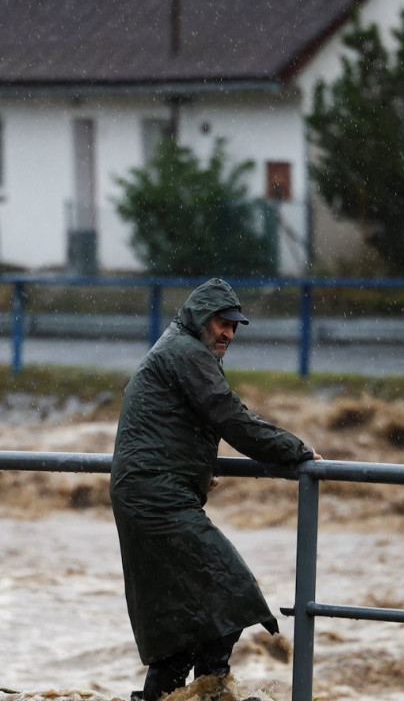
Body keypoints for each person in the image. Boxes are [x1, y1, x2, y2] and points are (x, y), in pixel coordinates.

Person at [110, 277, 322, 701]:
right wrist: (297, 451)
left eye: (234, 326)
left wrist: (197, 467)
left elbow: (176, 421)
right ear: (200, 319)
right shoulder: (186, 351)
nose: (228, 333)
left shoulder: (179, 347)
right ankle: (211, 692)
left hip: (153, 491)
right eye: (221, 323)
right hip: (158, 497)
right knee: (230, 593)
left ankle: (186, 694)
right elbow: (228, 416)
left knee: (184, 623)